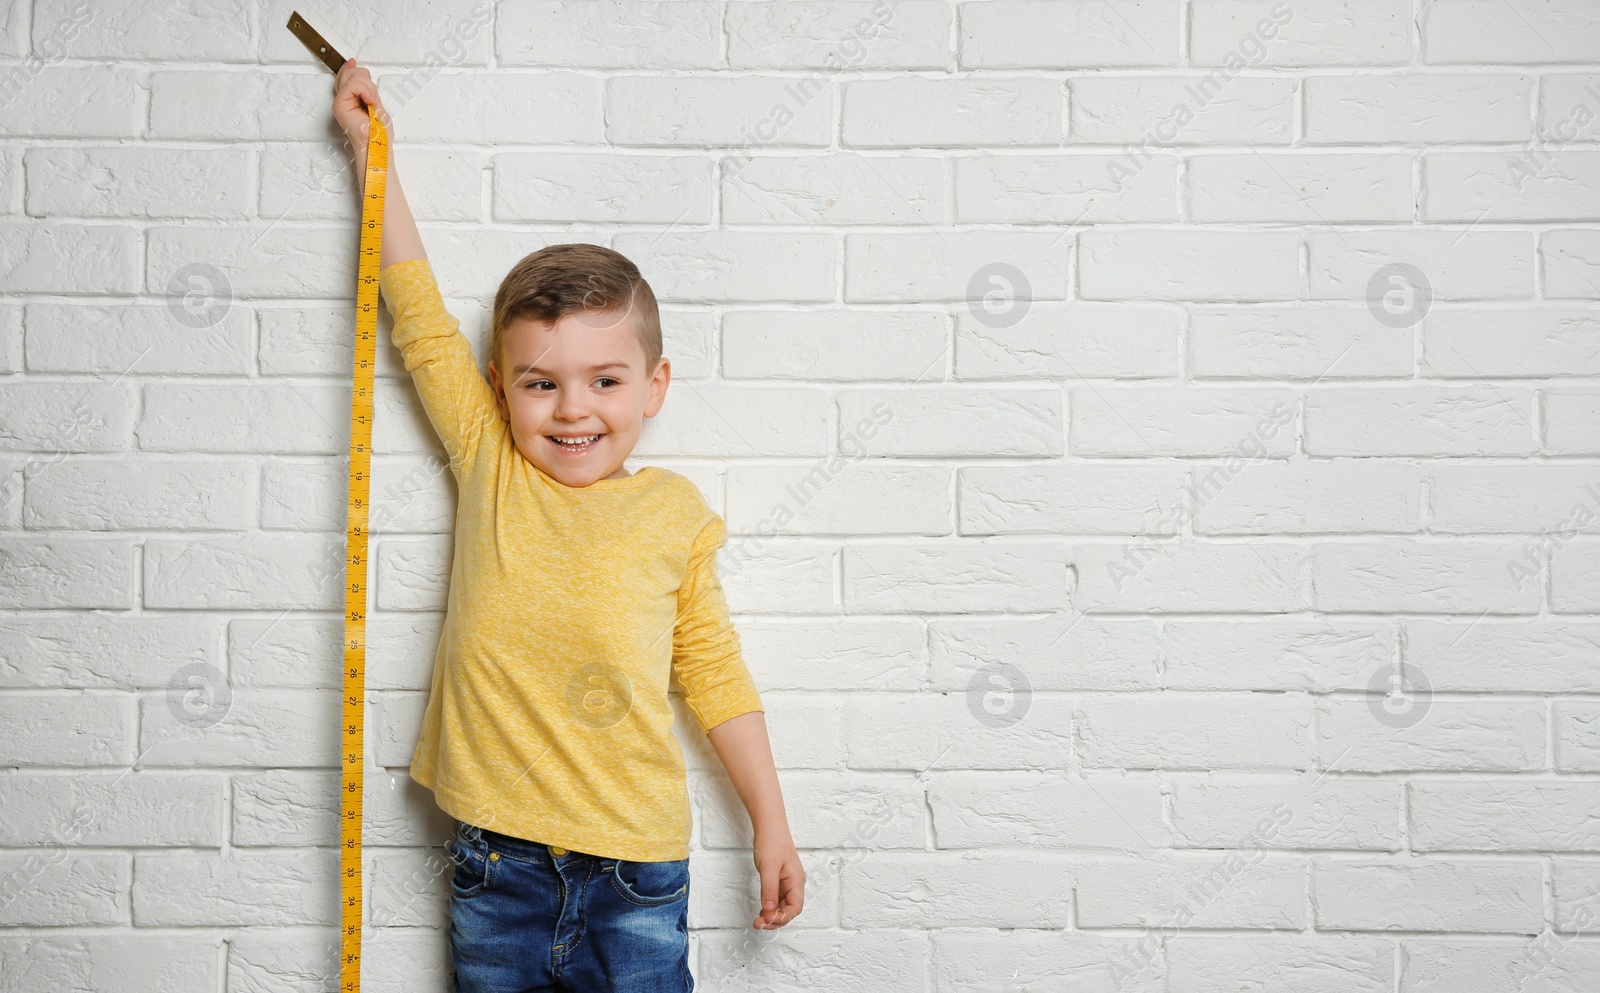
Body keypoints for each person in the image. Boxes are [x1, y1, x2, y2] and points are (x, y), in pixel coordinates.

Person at [332, 58, 804, 992]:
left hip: (636, 876)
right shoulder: (492, 461)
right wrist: (370, 151)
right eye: (540, 382)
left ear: (653, 387)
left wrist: (772, 822)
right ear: (502, 389)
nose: (570, 408)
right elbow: (419, 315)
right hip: (494, 869)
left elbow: (713, 671)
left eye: (605, 380)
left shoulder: (671, 515)